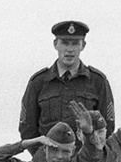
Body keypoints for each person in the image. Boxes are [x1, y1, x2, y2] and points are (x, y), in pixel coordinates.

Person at [18, 20, 115, 148]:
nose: (69, 49)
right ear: (55, 44)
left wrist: (91, 156)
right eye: (64, 43)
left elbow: (107, 127)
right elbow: (27, 128)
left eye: (75, 43)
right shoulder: (38, 82)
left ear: (83, 45)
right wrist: (42, 156)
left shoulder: (97, 81)